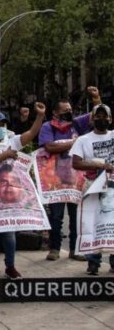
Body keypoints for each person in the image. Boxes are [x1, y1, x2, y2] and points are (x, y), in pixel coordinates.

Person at [0, 102, 45, 280]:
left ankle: (10, 266)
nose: (1, 128)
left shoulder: (12, 141)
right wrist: (6, 154)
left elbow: (31, 134)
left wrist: (40, 116)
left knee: (9, 235)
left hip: (9, 198)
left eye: (3, 124)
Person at [39, 88, 100, 262]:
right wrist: (75, 142)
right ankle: (54, 248)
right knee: (56, 217)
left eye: (70, 110)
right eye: (65, 111)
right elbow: (49, 147)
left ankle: (75, 250)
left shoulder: (76, 124)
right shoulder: (47, 127)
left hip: (76, 180)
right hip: (55, 182)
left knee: (76, 216)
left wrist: (96, 98)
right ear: (55, 113)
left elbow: (97, 114)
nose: (69, 113)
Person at [70, 103, 114, 275]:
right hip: (92, 186)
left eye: (105, 116)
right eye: (98, 116)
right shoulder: (83, 140)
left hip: (112, 187)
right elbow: (76, 163)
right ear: (92, 119)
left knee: (111, 224)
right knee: (92, 222)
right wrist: (99, 164)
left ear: (110, 119)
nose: (101, 119)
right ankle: (93, 262)